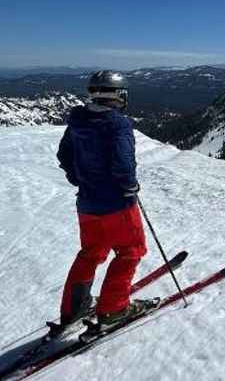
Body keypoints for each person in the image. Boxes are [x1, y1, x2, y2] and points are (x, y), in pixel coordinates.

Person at [56, 70, 154, 331]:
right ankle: (114, 309)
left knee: (90, 253)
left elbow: (64, 154)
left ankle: (74, 307)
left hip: (87, 204)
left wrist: (80, 180)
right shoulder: (117, 124)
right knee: (130, 252)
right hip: (117, 204)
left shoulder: (78, 121)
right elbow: (123, 165)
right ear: (116, 95)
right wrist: (130, 185)